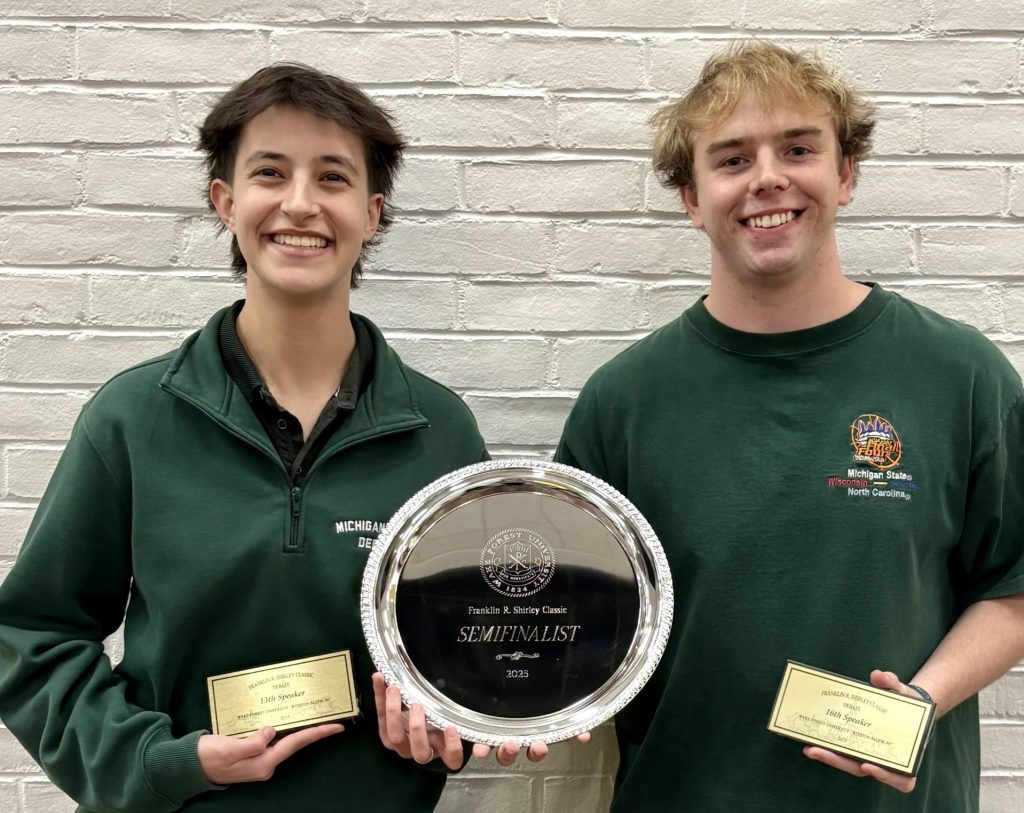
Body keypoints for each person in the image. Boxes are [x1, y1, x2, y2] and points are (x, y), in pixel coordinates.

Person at [0, 63, 488, 813]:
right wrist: (159, 761)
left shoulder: (441, 431)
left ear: (372, 211)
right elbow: (32, 635)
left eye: (332, 178)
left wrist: (453, 723)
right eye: (270, 172)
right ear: (225, 201)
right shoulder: (131, 419)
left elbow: (476, 647)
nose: (300, 203)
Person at [554, 41, 1024, 812]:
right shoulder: (623, 401)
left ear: (844, 174)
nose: (767, 178)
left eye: (798, 149)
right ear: (690, 196)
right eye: (731, 159)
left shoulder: (961, 375)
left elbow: (1013, 586)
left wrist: (922, 699)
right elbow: (570, 616)